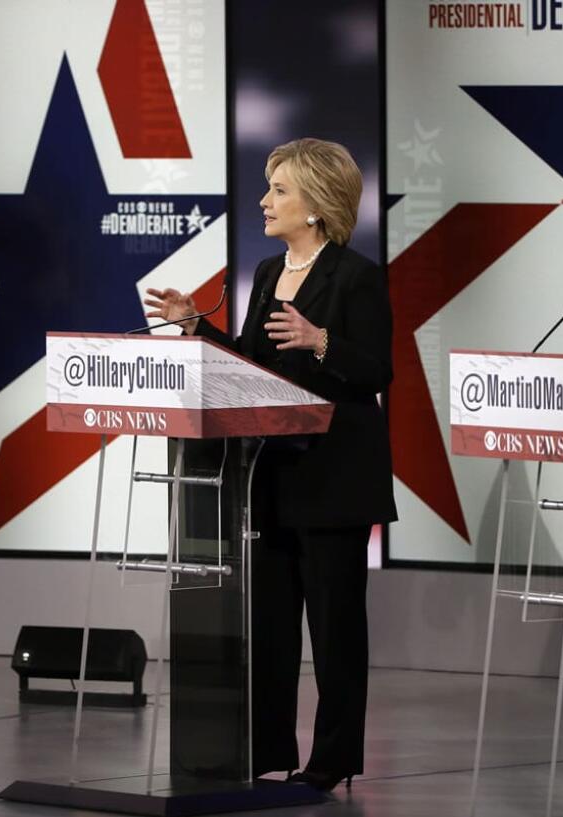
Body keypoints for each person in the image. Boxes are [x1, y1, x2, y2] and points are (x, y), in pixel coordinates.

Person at [145, 138, 395, 791]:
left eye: (279, 189)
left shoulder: (357, 276)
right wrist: (197, 327)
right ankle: (267, 747)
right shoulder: (264, 272)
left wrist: (323, 341)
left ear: (315, 204)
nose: (265, 200)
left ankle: (333, 758)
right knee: (272, 627)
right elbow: (253, 370)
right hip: (269, 479)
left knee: (336, 630)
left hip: (335, 478)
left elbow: (377, 369)